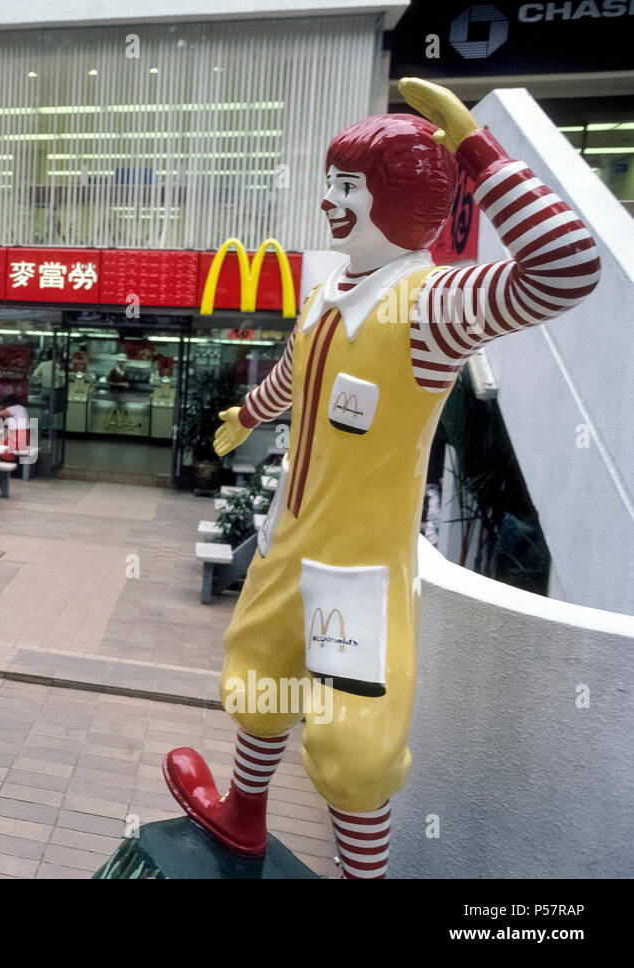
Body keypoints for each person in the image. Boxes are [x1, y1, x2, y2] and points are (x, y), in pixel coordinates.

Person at [162, 79, 600, 880]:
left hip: (358, 575)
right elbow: (298, 376)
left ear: (396, 199)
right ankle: (244, 814)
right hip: (287, 543)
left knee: (352, 749)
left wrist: (476, 147)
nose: (329, 200)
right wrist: (250, 415)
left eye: (349, 186)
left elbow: (567, 269)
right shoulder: (330, 290)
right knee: (258, 680)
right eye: (329, 182)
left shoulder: (432, 303)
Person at [0, 393, 30, 458]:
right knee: (0, 444)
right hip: (25, 440)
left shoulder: (13, 408)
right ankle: (0, 463)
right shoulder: (23, 408)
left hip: (18, 441)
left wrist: (1, 409)